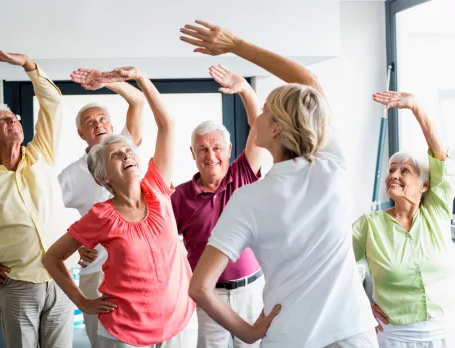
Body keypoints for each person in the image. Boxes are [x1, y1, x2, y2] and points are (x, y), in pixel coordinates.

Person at [181, 21, 378, 348]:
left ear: (276, 130)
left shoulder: (247, 199)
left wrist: (247, 332)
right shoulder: (333, 167)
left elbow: (200, 287)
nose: (257, 116)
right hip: (351, 334)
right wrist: (237, 44)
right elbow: (309, 81)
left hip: (288, 338)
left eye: (266, 111)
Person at [43, 66, 197, 348]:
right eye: (117, 154)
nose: (128, 154)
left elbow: (168, 124)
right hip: (125, 332)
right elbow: (51, 257)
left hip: (178, 323)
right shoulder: (101, 214)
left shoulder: (156, 186)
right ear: (103, 176)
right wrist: (81, 301)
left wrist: (139, 77)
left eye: (129, 151)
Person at [0, 49, 73, 348]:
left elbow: (53, 102)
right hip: (17, 285)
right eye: (3, 120)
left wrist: (29, 66)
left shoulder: (41, 154)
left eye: (14, 117)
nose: (13, 121)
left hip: (62, 279)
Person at [170, 63, 265, 348]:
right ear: (193, 154)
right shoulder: (180, 197)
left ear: (229, 151)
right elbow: (158, 240)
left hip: (251, 290)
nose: (211, 155)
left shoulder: (243, 174)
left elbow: (259, 129)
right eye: (203, 149)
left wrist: (246, 91)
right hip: (208, 295)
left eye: (217, 148)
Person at [352, 91, 455, 348]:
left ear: (424, 186)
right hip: (395, 336)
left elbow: (440, 156)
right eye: (391, 170)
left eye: (404, 171)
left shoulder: (437, 211)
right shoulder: (369, 224)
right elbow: (336, 264)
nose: (394, 175)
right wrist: (360, 304)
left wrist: (416, 108)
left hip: (444, 330)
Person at [58, 68, 145, 348]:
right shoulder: (71, 175)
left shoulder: (125, 147)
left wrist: (109, 82)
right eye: (90, 122)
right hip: (96, 273)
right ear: (81, 133)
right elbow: (43, 214)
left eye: (102, 118)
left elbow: (138, 101)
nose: (98, 125)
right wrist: (74, 245)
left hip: (134, 265)